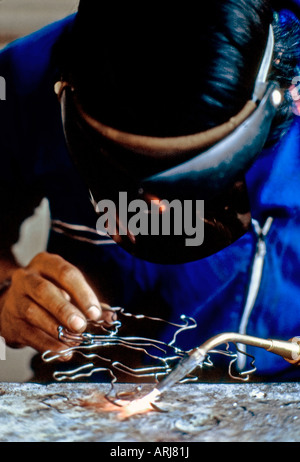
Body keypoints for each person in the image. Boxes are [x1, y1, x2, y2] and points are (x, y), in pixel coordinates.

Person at [0, 0, 299, 383]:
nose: (157, 207)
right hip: (96, 392)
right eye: (130, 176)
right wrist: (9, 291)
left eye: (191, 180)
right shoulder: (23, 79)